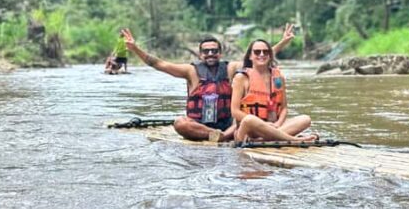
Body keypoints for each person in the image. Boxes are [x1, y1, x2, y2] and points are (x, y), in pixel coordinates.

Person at [121, 25, 297, 142]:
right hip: (200, 127)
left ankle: (224, 136)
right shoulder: (191, 71)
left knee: (244, 119)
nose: (210, 54)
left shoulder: (230, 69)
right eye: (206, 51)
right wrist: (135, 49)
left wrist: (283, 42)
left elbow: (259, 58)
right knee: (180, 123)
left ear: (220, 53)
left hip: (229, 126)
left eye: (214, 51)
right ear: (200, 54)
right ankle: (217, 137)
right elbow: (159, 64)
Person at [230, 39, 316, 142]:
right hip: (250, 130)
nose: (262, 54)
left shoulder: (279, 78)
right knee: (249, 119)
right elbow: (235, 111)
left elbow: (284, 108)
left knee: (305, 119)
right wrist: (263, 124)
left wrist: (278, 124)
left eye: (265, 52)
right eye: (257, 52)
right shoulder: (241, 78)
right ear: (250, 56)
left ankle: (263, 139)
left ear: (270, 55)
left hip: (275, 126)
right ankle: (293, 139)